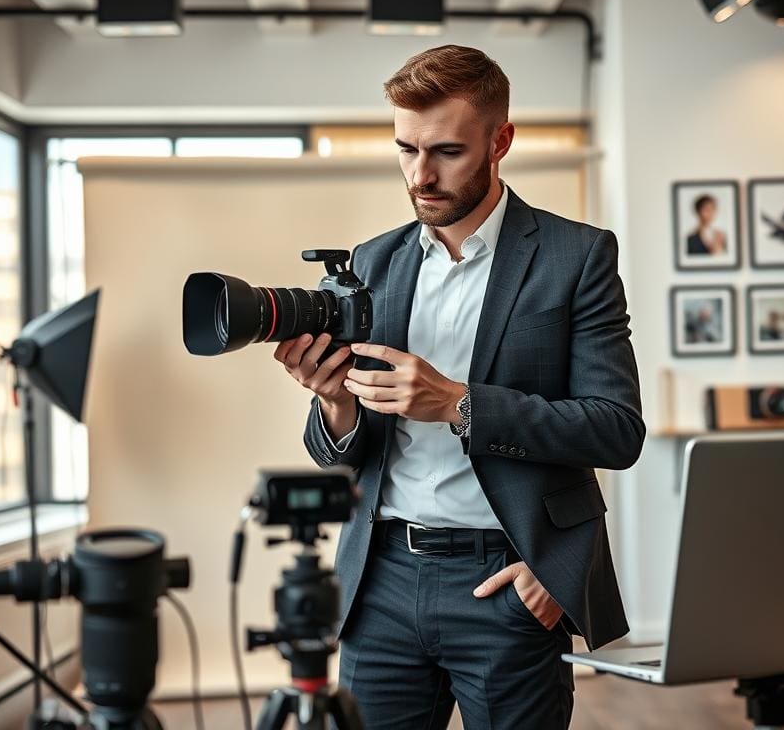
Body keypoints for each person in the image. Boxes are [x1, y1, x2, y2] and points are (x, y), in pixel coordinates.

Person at [273, 44, 644, 730]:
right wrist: (334, 402)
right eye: (406, 149)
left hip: (508, 585)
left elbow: (615, 429)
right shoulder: (371, 263)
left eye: (447, 151)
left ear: (500, 141)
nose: (422, 175)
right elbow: (340, 454)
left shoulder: (578, 257)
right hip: (379, 583)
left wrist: (458, 403)